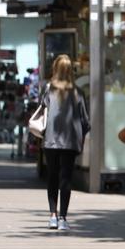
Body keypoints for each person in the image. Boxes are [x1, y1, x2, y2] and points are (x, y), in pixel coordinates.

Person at [41, 54, 89, 231]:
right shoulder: (77, 92)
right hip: (69, 142)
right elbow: (85, 121)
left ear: (55, 69)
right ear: (71, 71)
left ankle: (52, 215)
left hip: (51, 141)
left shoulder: (48, 89)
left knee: (52, 176)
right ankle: (63, 218)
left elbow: (42, 111)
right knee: (66, 179)